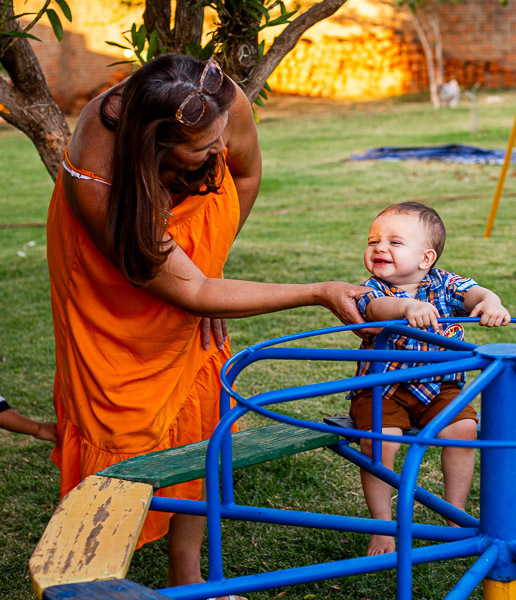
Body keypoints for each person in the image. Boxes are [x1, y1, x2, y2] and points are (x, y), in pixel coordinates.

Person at [46, 53, 367, 598]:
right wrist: (317, 291)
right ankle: (95, 581)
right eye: (201, 148)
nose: (218, 148)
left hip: (186, 263)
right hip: (112, 280)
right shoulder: (94, 180)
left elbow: (244, 174)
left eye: (218, 137)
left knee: (198, 412)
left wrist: (208, 264)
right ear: (154, 148)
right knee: (121, 422)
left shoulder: (220, 99)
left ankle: (189, 577)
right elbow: (190, 292)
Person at [348, 202, 510, 555]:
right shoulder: (372, 289)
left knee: (463, 429)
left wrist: (491, 301)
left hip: (441, 386)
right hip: (382, 389)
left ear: (425, 258)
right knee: (381, 441)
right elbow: (374, 310)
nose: (379, 248)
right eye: (374, 240)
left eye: (394, 242)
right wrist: (406, 307)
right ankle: (381, 527)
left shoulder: (444, 282)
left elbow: (475, 293)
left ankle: (455, 515)